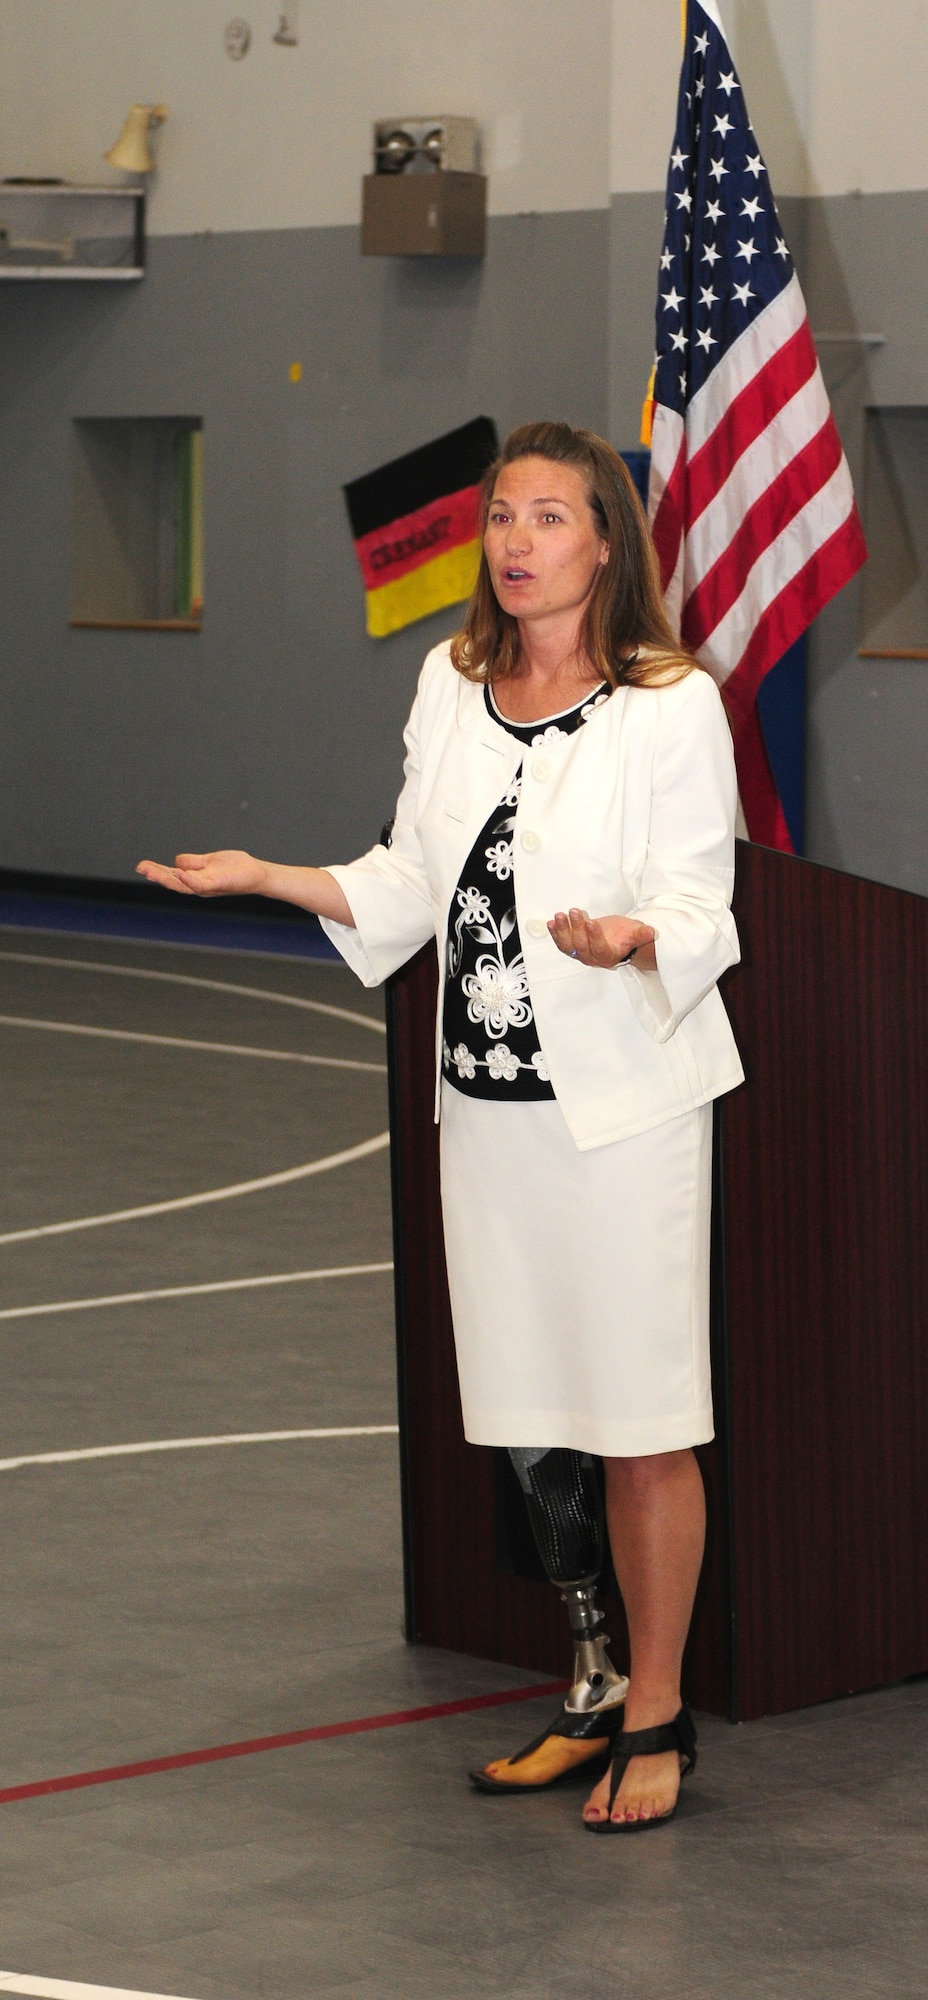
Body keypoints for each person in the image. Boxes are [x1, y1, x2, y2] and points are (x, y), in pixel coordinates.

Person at [138, 420, 744, 1831]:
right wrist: (270, 877)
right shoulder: (451, 681)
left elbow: (705, 900)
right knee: (535, 1419)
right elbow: (411, 881)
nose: (516, 541)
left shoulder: (670, 703)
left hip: (625, 1116)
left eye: (548, 516)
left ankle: (660, 1717)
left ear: (607, 543)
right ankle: (590, 1685)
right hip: (492, 1114)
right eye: (501, 517)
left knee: (645, 1421)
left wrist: (632, 933)